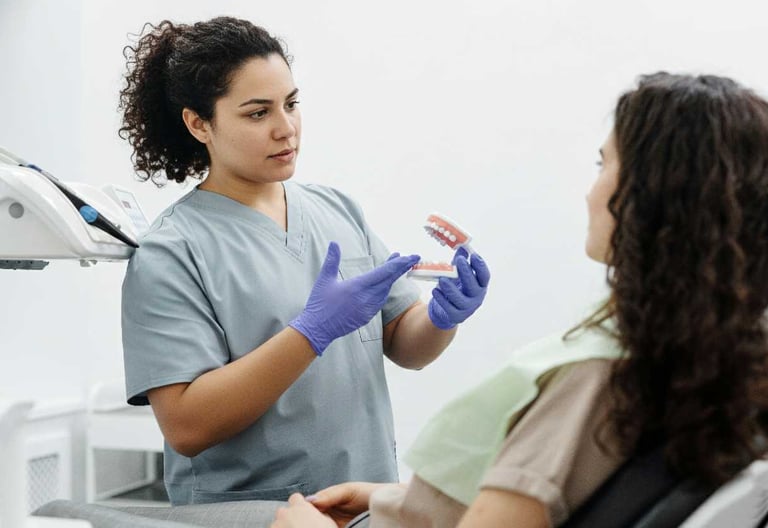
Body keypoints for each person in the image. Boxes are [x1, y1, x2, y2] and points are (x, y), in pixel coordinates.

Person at [268, 72, 768, 528]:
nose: (590, 191)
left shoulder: (595, 380)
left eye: (603, 164)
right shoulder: (718, 358)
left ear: (650, 195)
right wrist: (398, 499)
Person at [118, 16, 491, 506]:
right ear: (199, 123)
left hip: (364, 505)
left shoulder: (336, 210)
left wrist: (443, 318)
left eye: (291, 104)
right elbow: (187, 425)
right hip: (261, 514)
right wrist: (310, 333)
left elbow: (405, 344)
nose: (286, 128)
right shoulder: (172, 251)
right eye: (258, 113)